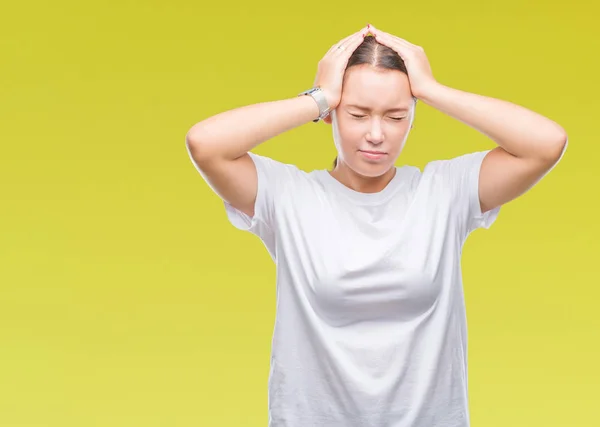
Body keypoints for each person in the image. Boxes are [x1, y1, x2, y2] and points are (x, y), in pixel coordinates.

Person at [185, 24, 568, 427]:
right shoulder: (289, 196)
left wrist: (432, 89)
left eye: (396, 116)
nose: (376, 134)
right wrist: (319, 97)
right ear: (331, 113)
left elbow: (546, 143)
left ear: (413, 117)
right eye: (357, 113)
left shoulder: (443, 192)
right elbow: (205, 144)